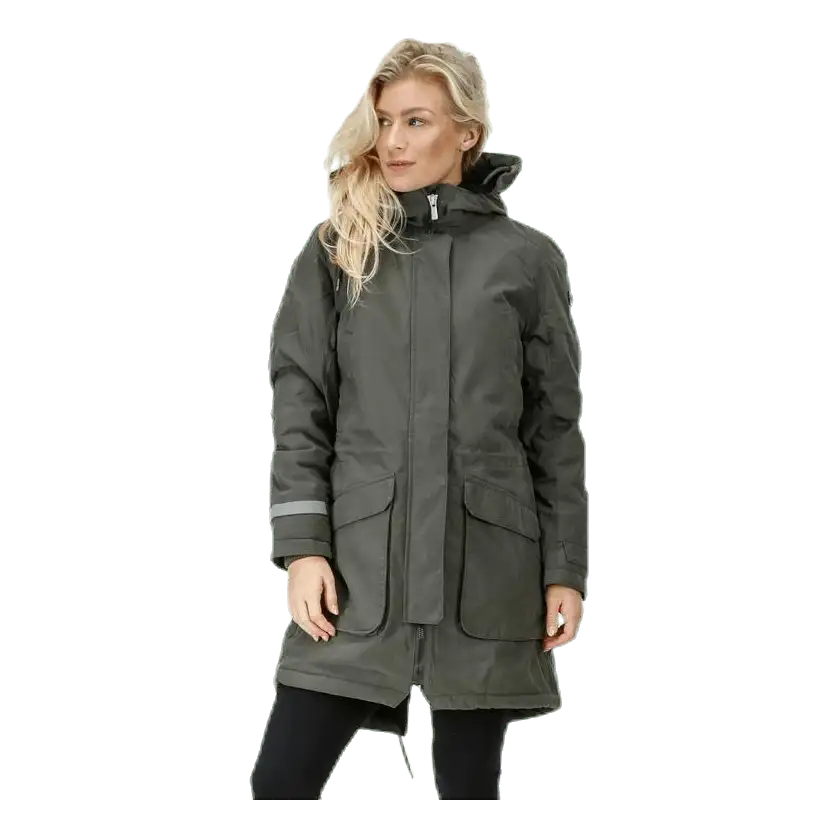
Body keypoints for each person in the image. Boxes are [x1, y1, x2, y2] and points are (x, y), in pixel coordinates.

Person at [251, 39, 589, 801]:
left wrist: (565, 570)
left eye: (416, 121)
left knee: (469, 787)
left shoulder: (528, 260)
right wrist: (303, 548)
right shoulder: (340, 250)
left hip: (487, 569)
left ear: (466, 132)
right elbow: (300, 404)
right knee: (281, 782)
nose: (393, 141)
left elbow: (555, 429)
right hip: (361, 570)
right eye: (384, 121)